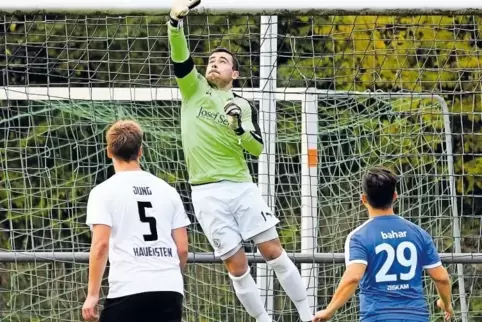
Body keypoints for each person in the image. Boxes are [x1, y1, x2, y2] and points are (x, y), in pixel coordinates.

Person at [167, 1, 313, 321]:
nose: (215, 63)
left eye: (223, 61)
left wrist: (239, 128)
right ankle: (264, 320)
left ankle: (307, 315)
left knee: (273, 251)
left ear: (234, 73)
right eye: (212, 60)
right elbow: (180, 58)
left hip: (240, 186)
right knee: (236, 265)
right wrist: (174, 24)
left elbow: (257, 149)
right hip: (206, 193)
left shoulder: (242, 105)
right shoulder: (194, 90)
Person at [81, 120, 190, 322]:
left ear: (109, 152)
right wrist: (167, 276)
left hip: (129, 288)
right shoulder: (168, 190)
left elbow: (100, 245)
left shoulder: (103, 192)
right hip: (169, 290)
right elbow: (182, 248)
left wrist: (93, 295)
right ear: (140, 151)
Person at [313, 167, 454, 322]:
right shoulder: (419, 233)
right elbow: (441, 278)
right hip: (416, 317)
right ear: (395, 196)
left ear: (364, 199)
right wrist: (446, 304)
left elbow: (353, 277)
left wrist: (329, 310)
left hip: (377, 317)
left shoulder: (359, 236)